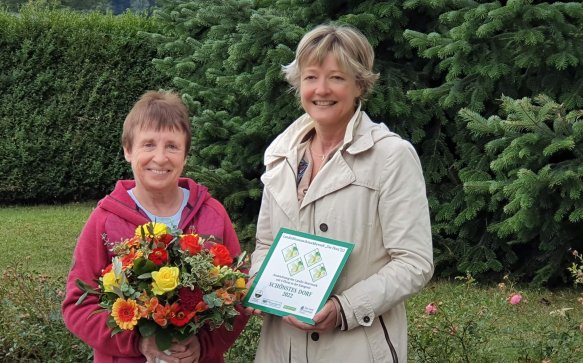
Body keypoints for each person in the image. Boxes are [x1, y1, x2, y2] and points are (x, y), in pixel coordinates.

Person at [245, 24, 434, 362]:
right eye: (311, 77)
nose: (321, 89)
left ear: (360, 84)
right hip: (281, 347)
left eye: (336, 77)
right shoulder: (281, 155)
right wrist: (263, 287)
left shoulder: (391, 157)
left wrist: (345, 308)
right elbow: (265, 244)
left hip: (356, 348)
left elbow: (414, 262)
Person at [62, 91, 248, 363]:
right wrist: (137, 342)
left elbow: (238, 294)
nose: (160, 158)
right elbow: (78, 306)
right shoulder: (105, 220)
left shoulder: (212, 214)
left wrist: (204, 345)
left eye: (172, 146)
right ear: (128, 151)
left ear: (185, 155)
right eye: (148, 145)